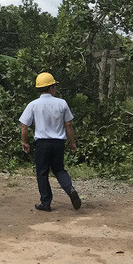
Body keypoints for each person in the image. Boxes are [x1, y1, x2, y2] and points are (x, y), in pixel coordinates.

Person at [19, 72, 82, 212]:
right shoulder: (62, 103)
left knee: (42, 173)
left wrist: (25, 142)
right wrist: (72, 143)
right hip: (58, 143)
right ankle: (70, 189)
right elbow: (68, 125)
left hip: (42, 144)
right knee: (59, 169)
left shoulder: (33, 104)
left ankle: (46, 203)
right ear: (52, 87)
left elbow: (24, 125)